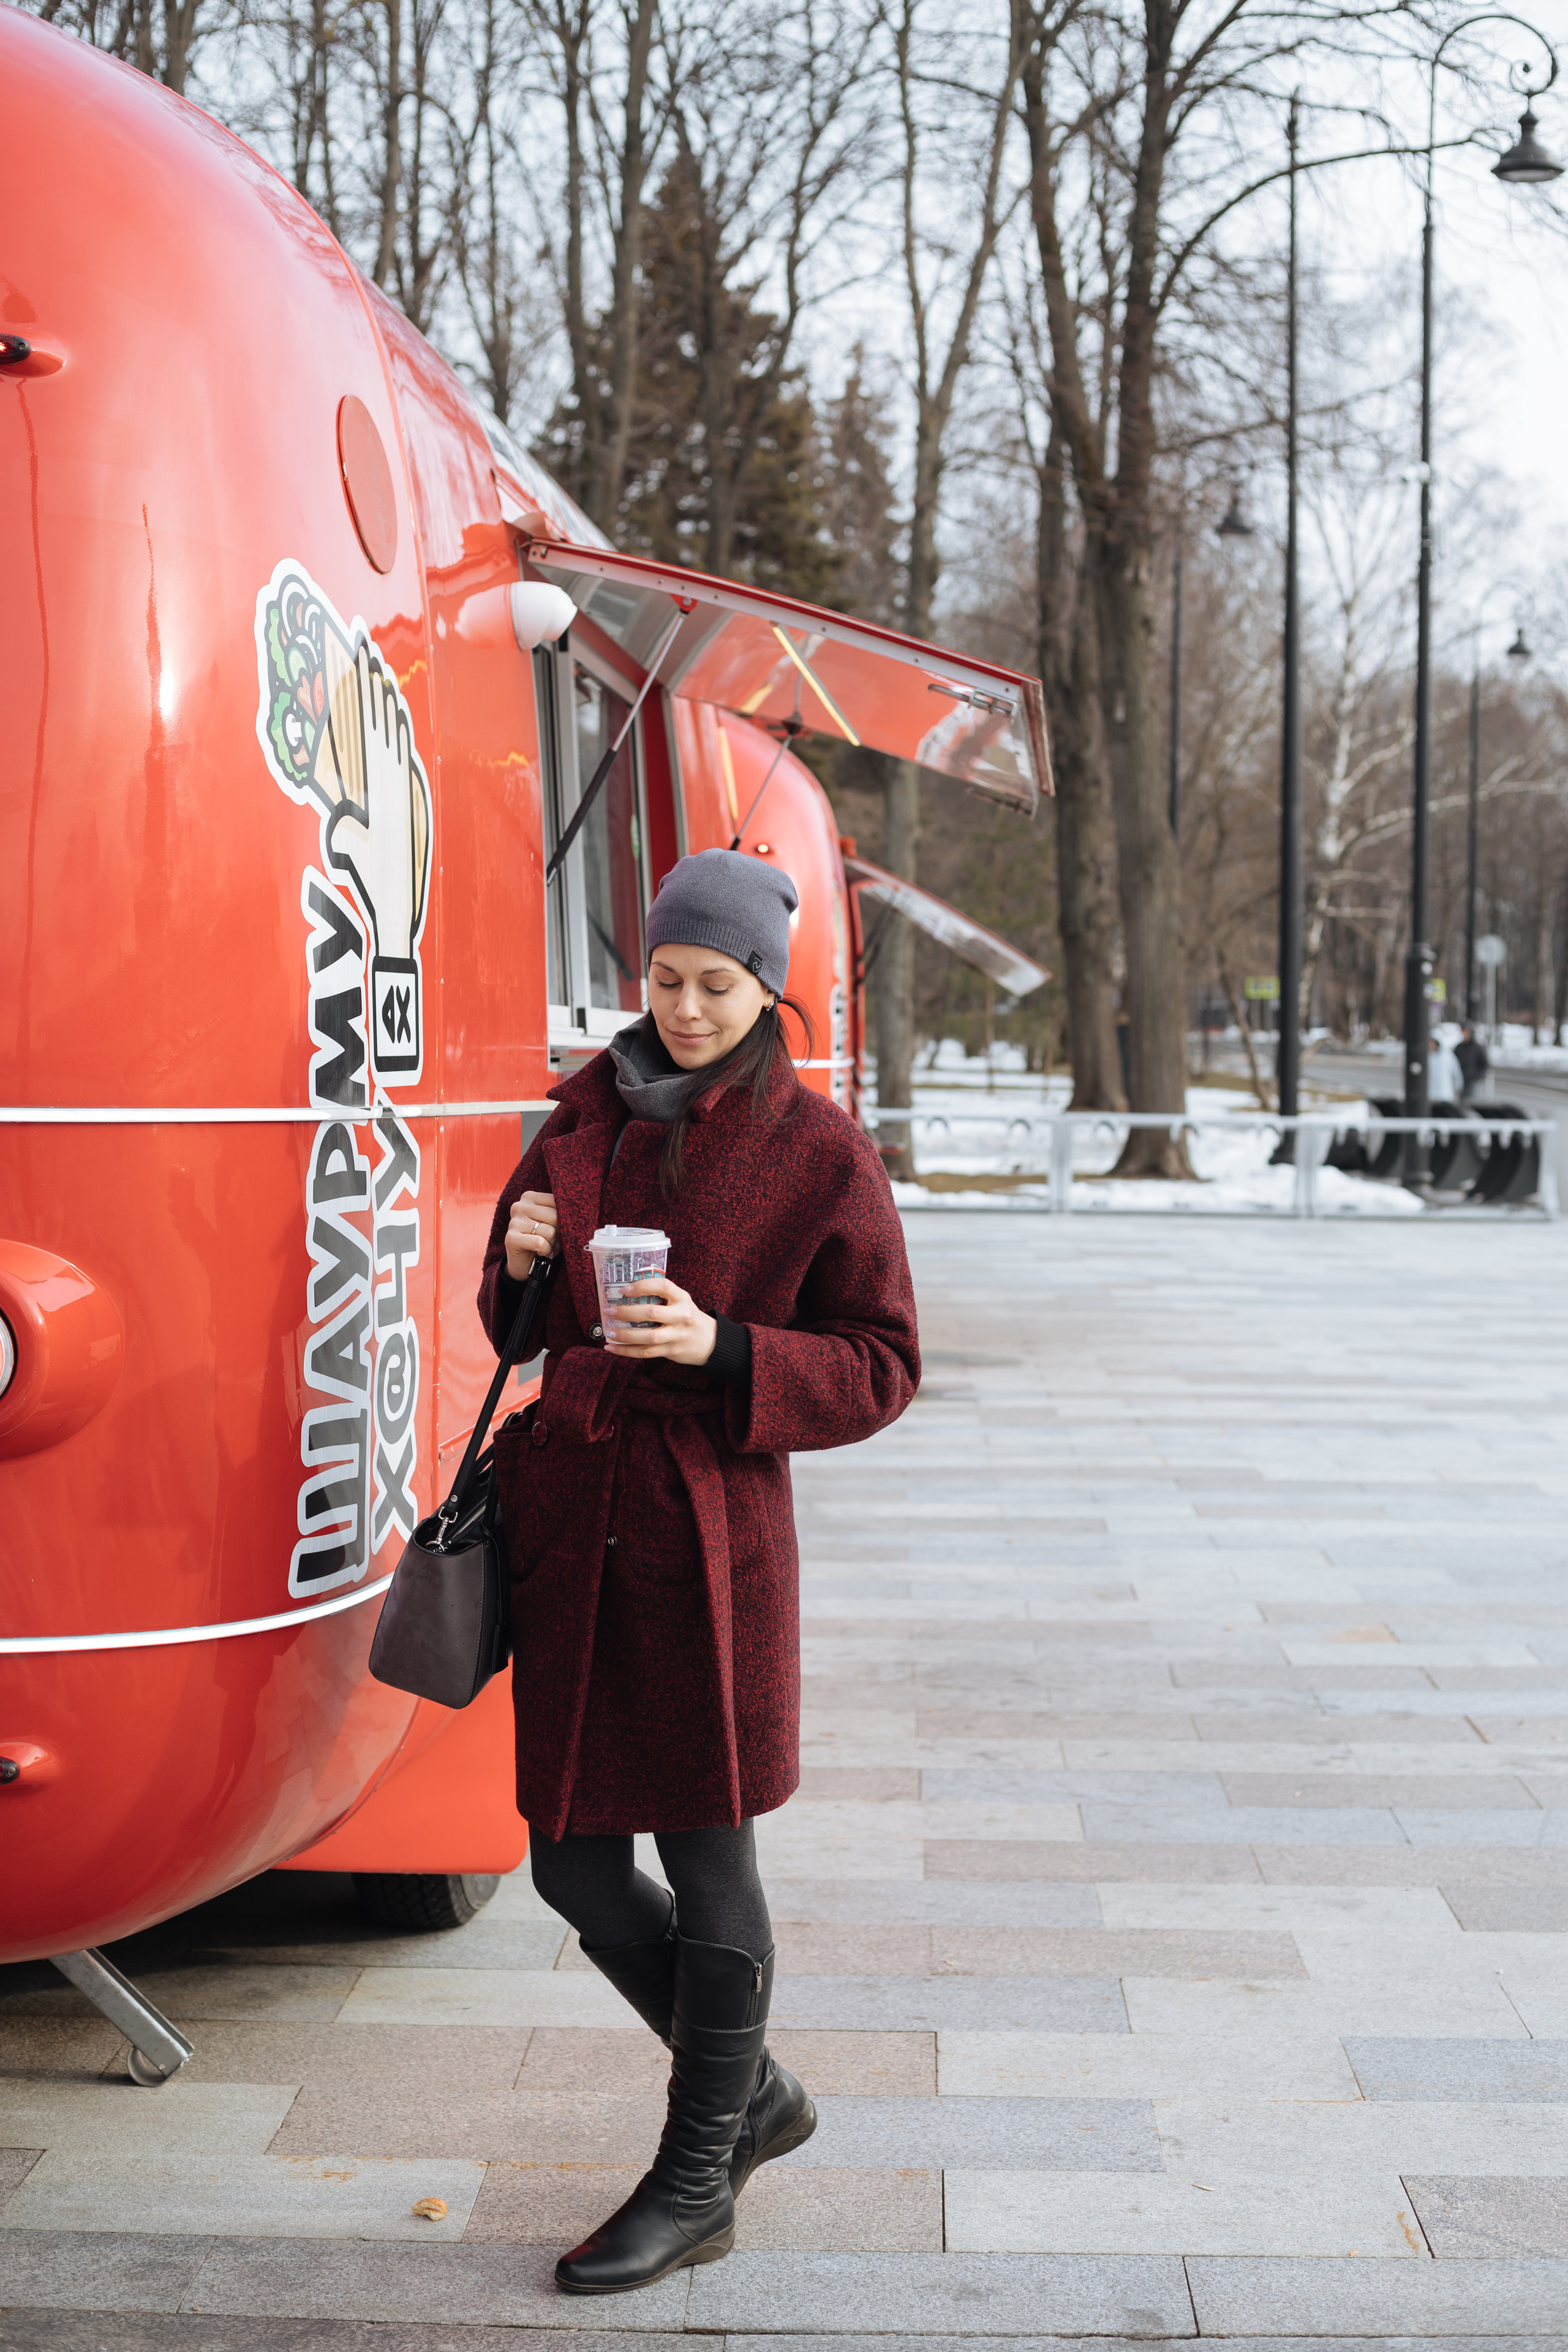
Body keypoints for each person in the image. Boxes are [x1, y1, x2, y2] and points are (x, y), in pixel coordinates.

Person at [477, 848, 921, 2297]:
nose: (678, 1005)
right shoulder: (579, 1107)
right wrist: (521, 1254)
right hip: (570, 1521)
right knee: (567, 1857)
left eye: (711, 984)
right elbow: (515, 1327)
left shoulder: (819, 1151)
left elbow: (883, 1363)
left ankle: (694, 2173)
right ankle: (754, 2097)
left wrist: (724, 1351)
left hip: (708, 1533)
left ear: (763, 986)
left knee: (705, 1846)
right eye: (663, 976)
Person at [1428, 1027, 1464, 1106]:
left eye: (1433, 1042)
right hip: (1430, 1094)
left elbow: (1456, 1072)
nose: (1431, 1045)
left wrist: (1458, 1086)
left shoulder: (1448, 1056)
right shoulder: (1426, 1057)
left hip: (1445, 1094)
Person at [1456, 1022, 1491, 1101]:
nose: (1464, 1034)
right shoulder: (1459, 1048)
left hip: (1473, 1082)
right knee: (1462, 1104)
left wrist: (1477, 1076)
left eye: (1466, 1032)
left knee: (1472, 1102)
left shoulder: (1477, 1048)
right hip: (1462, 1081)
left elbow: (1485, 1065)